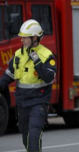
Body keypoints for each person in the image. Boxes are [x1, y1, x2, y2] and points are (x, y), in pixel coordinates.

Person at [0, 19, 56, 152]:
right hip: (22, 104)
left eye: (24, 38)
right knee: (26, 138)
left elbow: (49, 77)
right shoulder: (19, 55)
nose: (21, 41)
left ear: (34, 37)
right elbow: (8, 76)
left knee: (34, 138)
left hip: (39, 103)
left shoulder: (46, 55)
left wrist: (37, 61)